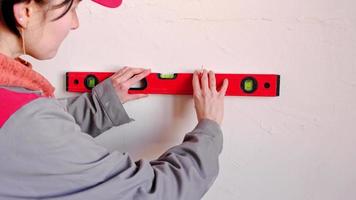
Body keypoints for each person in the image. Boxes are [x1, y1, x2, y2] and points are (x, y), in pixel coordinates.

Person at [0, 0, 229, 199]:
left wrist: (99, 105)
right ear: (25, 11)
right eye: (73, 7)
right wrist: (208, 129)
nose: (75, 22)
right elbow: (155, 192)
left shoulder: (17, 113)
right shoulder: (27, 123)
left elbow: (28, 140)